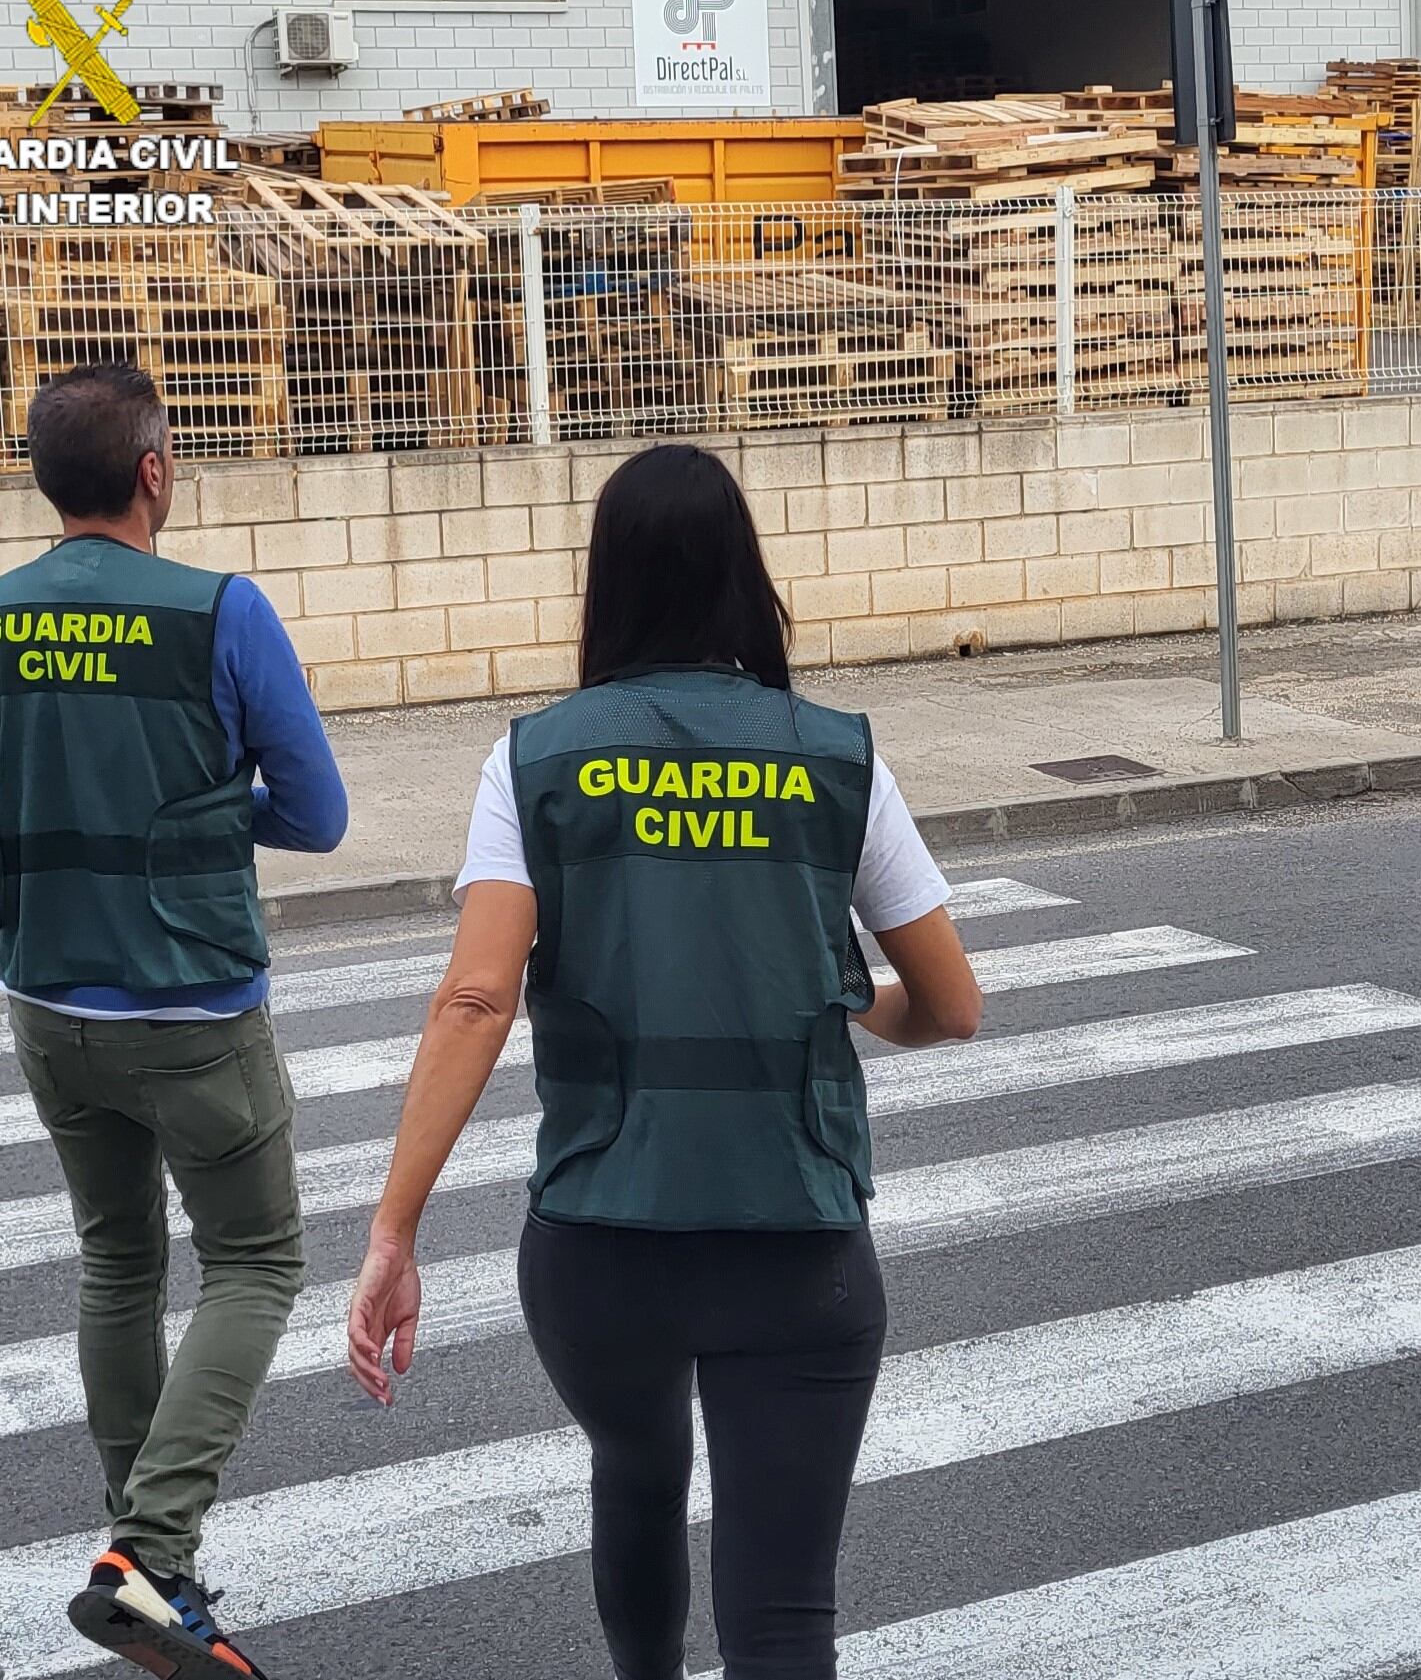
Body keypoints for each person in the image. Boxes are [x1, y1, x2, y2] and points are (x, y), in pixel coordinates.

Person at [345, 443, 984, 1680]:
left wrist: (394, 1231)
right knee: (783, 1614)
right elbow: (952, 1005)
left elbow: (476, 998)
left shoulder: (534, 759)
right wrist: (847, 997)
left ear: (607, 585)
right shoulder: (835, 755)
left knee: (635, 1469)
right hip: (795, 1240)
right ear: (747, 578)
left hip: (599, 1243)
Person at [0, 363, 347, 1679]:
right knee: (257, 1262)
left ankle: (145, 1564)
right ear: (155, 472)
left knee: (117, 1263)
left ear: (43, 478)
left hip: (45, 999)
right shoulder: (220, 612)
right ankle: (151, 1555)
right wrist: (205, 810)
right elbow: (319, 811)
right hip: (192, 1005)